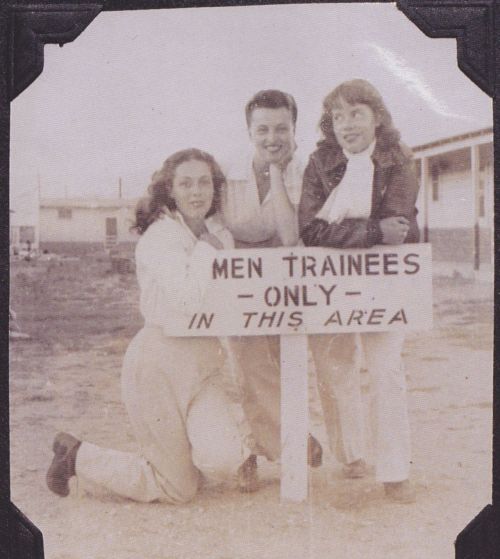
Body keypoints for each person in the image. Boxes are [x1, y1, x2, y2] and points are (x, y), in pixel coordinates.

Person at [47, 148, 255, 504]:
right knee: (178, 489)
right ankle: (78, 456)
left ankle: (198, 454)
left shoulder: (220, 232)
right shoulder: (160, 237)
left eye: (204, 182)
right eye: (186, 183)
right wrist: (207, 248)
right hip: (157, 365)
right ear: (170, 190)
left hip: (203, 364)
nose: (196, 192)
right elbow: (187, 300)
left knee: (222, 462)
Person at [299, 79, 419, 503]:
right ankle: (351, 456)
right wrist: (370, 230)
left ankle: (394, 470)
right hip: (330, 281)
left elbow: (398, 227)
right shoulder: (319, 162)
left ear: (377, 117)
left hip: (383, 281)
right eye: (337, 116)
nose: (346, 125)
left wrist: (357, 233)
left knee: (386, 370)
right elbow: (310, 229)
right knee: (335, 367)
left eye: (356, 114)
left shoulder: (399, 159)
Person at [222, 89, 323, 478]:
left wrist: (278, 174)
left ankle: (285, 436)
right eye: (262, 129)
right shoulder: (227, 170)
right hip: (237, 275)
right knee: (247, 368)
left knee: (284, 364)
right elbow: (218, 230)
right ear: (249, 130)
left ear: (294, 130)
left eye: (282, 129)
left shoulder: (305, 172)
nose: (272, 138)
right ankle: (259, 448)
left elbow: (287, 233)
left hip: (284, 277)